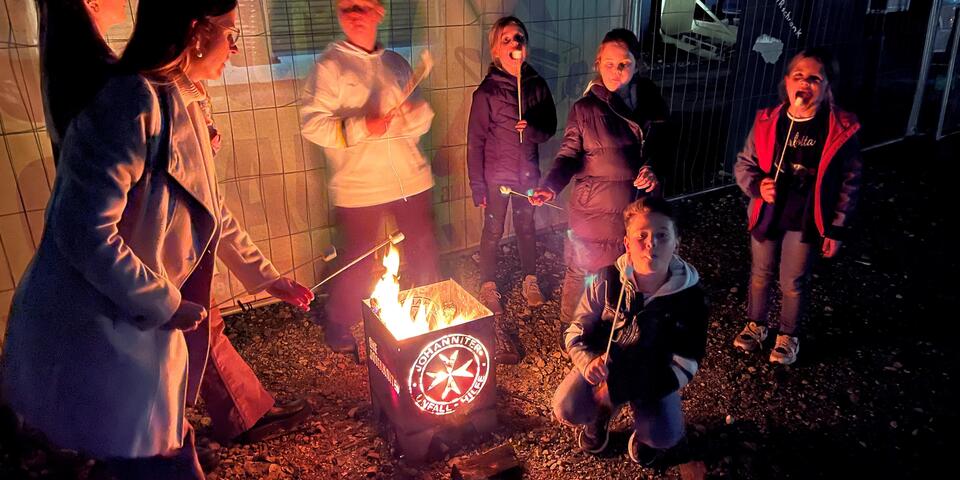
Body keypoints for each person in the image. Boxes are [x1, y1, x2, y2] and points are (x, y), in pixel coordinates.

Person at [1, 0, 313, 477]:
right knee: (134, 456)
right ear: (194, 31)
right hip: (93, 323)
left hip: (134, 322)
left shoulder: (182, 97)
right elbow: (82, 229)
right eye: (229, 32)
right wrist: (165, 303)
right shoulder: (130, 100)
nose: (234, 46)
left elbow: (212, 210)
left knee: (157, 447)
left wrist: (268, 279)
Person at [301, 0, 438, 353]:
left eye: (362, 6)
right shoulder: (330, 67)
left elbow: (421, 123)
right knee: (358, 260)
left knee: (423, 251)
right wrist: (363, 126)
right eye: (347, 7)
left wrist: (413, 112)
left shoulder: (395, 63)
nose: (355, 15)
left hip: (410, 179)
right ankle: (341, 321)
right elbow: (312, 124)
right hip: (359, 186)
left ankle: (430, 313)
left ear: (379, 11)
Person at [530, 28, 670, 347]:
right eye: (609, 64)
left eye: (624, 64)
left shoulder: (651, 102)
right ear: (598, 62)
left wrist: (653, 168)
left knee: (625, 273)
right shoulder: (585, 109)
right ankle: (571, 331)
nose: (616, 72)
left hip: (637, 210)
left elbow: (663, 147)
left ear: (637, 65)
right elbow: (568, 155)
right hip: (594, 210)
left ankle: (613, 331)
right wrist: (550, 185)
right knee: (582, 271)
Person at [551, 197, 708, 466]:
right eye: (642, 236)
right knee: (567, 407)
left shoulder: (691, 298)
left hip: (653, 375)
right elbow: (575, 329)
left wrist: (619, 389)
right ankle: (599, 416)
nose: (651, 244)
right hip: (605, 366)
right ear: (626, 243)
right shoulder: (607, 279)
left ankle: (643, 431)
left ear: (676, 242)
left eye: (662, 235)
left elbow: (686, 363)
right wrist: (588, 362)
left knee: (665, 436)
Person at [732, 48, 863, 365]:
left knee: (792, 280)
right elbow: (744, 164)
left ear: (827, 86)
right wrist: (758, 186)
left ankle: (788, 334)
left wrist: (836, 228)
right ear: (787, 82)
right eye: (799, 76)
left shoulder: (839, 128)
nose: (805, 83)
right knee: (760, 273)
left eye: (815, 78)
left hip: (805, 219)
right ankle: (757, 324)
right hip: (768, 212)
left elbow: (850, 179)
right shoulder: (767, 121)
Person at [468, 16, 556, 315]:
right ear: (496, 51)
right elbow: (475, 142)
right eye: (506, 40)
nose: (515, 43)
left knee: (526, 226)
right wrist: (477, 185)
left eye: (519, 38)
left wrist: (530, 129)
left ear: (526, 47)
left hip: (527, 173)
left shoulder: (537, 85)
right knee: (492, 229)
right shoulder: (487, 93)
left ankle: (530, 279)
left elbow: (549, 128)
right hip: (496, 177)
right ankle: (488, 284)